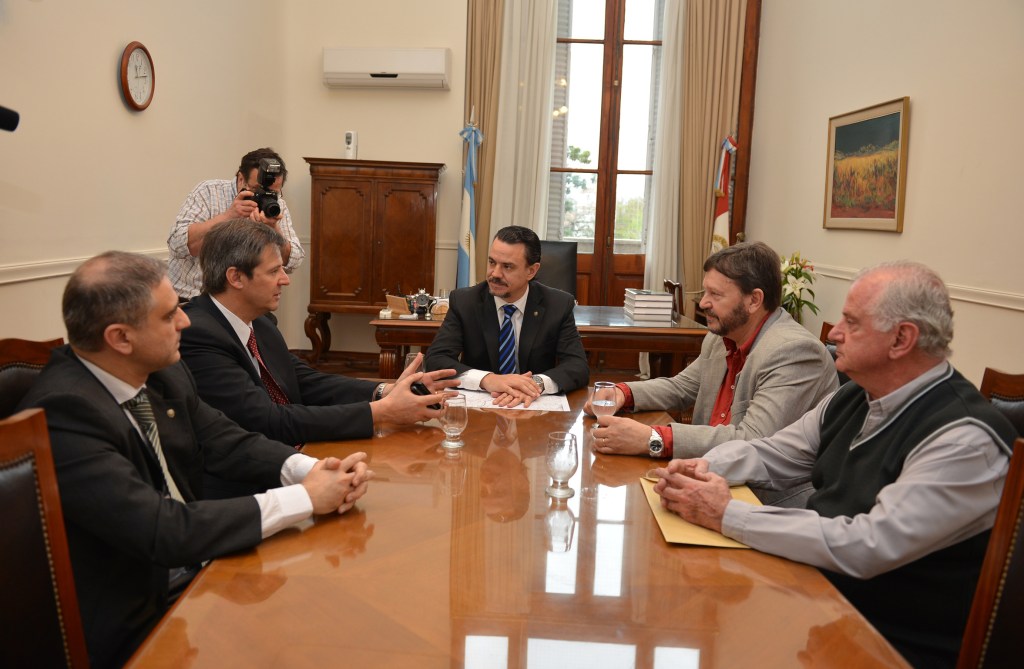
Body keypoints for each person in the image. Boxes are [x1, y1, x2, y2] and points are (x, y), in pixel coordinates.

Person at [651, 261, 1017, 668]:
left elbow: (866, 545)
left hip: (890, 645)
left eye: (851, 322)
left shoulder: (963, 439)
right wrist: (704, 467)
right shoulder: (857, 395)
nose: (835, 333)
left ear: (901, 339)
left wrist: (726, 514)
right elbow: (773, 452)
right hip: (823, 603)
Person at [18, 251, 372, 669]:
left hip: (201, 567)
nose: (186, 322)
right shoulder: (65, 413)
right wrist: (306, 499)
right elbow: (163, 529)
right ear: (120, 338)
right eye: (169, 316)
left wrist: (310, 470)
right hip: (136, 618)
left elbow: (224, 439)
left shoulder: (162, 369)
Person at [179, 220, 460, 454]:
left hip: (292, 453)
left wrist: (385, 391)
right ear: (236, 278)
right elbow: (265, 419)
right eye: (274, 271)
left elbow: (304, 380)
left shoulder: (260, 323)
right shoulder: (197, 334)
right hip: (244, 481)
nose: (285, 280)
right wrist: (380, 412)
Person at [586, 242, 837, 472]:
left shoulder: (794, 352)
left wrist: (652, 438)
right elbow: (682, 386)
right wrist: (623, 393)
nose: (703, 303)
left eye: (715, 295)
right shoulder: (721, 336)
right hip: (706, 472)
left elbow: (752, 441)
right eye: (705, 292)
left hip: (764, 499)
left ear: (754, 300)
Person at [424, 225, 589, 407]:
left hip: (533, 407)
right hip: (481, 409)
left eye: (507, 267)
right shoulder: (465, 302)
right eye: (492, 262)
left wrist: (535, 384)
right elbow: (437, 359)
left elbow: (577, 367)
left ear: (531, 271)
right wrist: (488, 379)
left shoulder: (558, 304)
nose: (495, 274)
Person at [168, 147, 305, 300]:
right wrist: (229, 215)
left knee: (270, 324)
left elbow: (294, 260)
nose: (264, 196)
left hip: (243, 303)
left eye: (273, 192)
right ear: (241, 179)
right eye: (256, 189)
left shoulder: (276, 205)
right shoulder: (208, 191)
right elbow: (177, 243)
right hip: (194, 298)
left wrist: (273, 229)